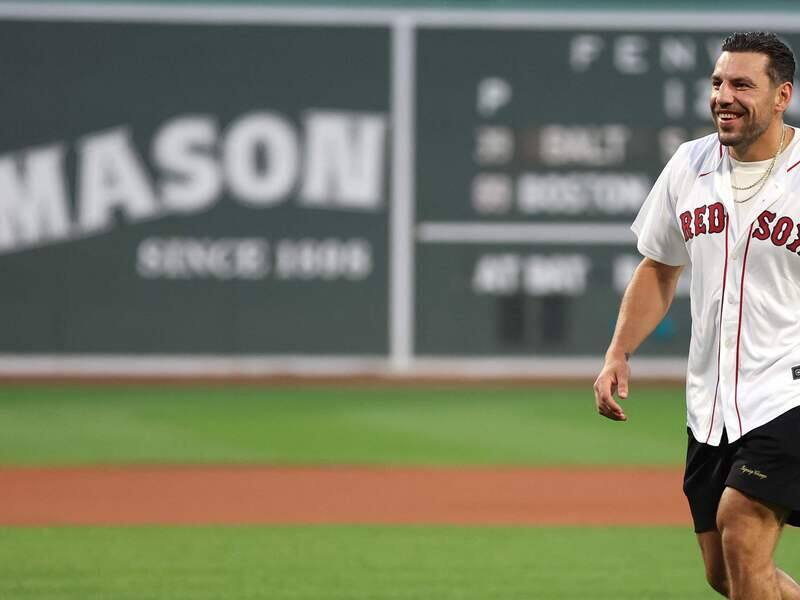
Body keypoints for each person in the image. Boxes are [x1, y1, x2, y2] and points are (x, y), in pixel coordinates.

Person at [593, 31, 800, 600]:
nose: (723, 96)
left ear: (782, 95)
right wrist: (619, 352)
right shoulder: (690, 164)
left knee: (741, 529)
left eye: (741, 84)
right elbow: (659, 268)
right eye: (716, 83)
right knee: (725, 573)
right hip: (710, 403)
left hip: (787, 394)